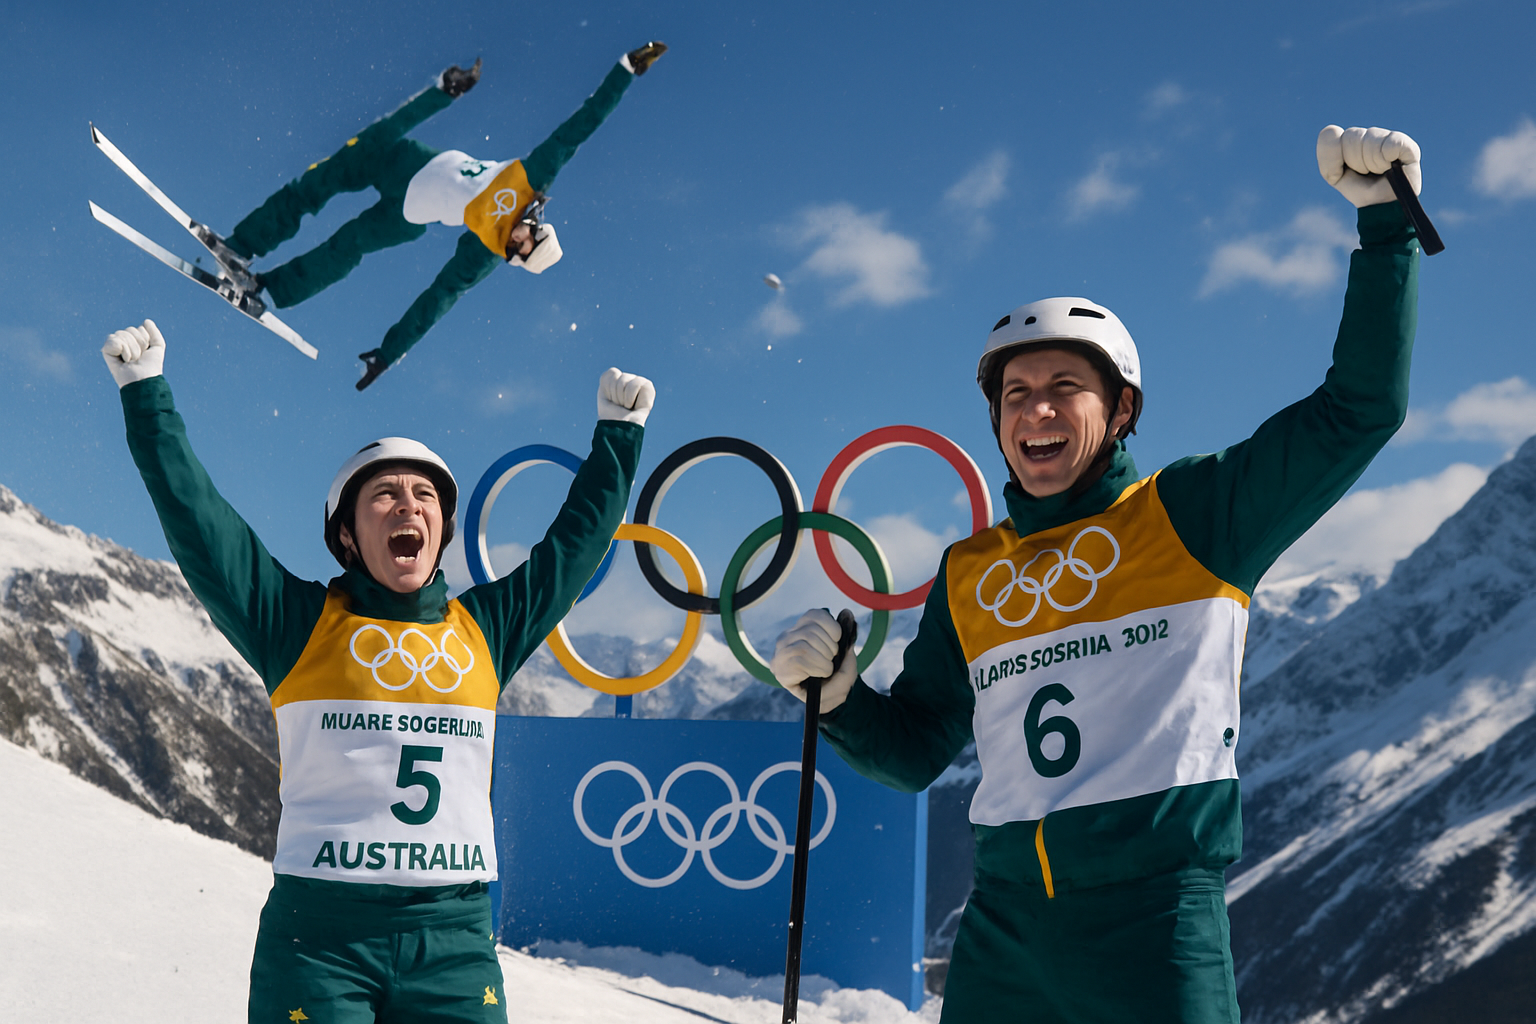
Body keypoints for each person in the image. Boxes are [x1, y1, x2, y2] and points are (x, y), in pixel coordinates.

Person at [769, 124, 1426, 1022]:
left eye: (1063, 387)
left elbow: (1359, 410)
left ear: (1121, 410)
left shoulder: (1196, 514)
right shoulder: (970, 572)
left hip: (1155, 921)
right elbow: (917, 750)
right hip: (1002, 933)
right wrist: (839, 697)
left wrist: (1388, 227)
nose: (1034, 409)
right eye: (1014, 394)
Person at [101, 318, 654, 1022]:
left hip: (453, 940)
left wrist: (618, 437)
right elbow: (201, 523)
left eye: (425, 497)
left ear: (442, 532)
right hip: (318, 939)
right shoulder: (297, 624)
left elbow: (571, 550)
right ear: (345, 535)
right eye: (385, 495)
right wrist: (147, 397)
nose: (409, 505)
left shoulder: (484, 627)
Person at [217, 42, 667, 390]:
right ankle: (243, 244)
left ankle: (265, 285)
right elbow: (581, 126)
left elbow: (437, 299)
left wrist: (389, 353)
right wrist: (625, 71)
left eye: (517, 253)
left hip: (407, 217)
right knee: (315, 185)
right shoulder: (534, 179)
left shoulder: (485, 252)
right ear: (537, 228)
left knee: (347, 246)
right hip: (403, 159)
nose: (515, 242)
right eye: (527, 241)